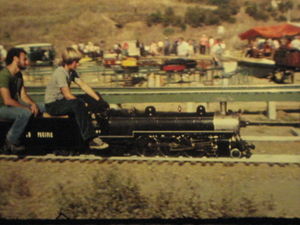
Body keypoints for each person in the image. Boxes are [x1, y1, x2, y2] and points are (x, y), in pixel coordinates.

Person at [44, 47, 109, 150]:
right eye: (77, 62)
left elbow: (83, 85)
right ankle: (90, 138)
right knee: (78, 103)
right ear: (71, 62)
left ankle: (100, 120)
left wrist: (98, 99)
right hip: (53, 105)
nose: (78, 64)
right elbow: (67, 95)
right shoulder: (60, 73)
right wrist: (83, 103)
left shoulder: (71, 72)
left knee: (91, 96)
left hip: (62, 102)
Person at [0, 48, 45, 153]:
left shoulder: (18, 75)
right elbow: (7, 100)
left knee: (42, 106)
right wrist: (26, 108)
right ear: (15, 59)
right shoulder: (3, 75)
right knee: (24, 113)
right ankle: (11, 141)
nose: (27, 62)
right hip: (2, 107)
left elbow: (23, 95)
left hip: (11, 106)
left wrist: (33, 104)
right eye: (24, 59)